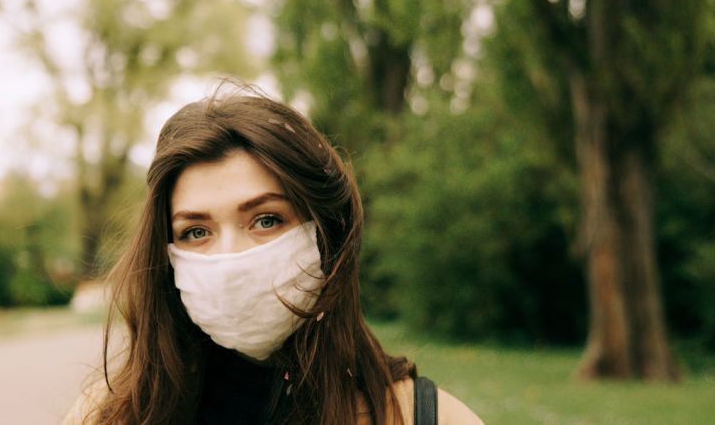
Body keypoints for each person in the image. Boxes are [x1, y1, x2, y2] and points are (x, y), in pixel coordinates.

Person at [63, 83, 483, 425]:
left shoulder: (426, 417)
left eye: (266, 220)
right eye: (196, 231)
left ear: (326, 236)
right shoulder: (111, 414)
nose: (230, 259)